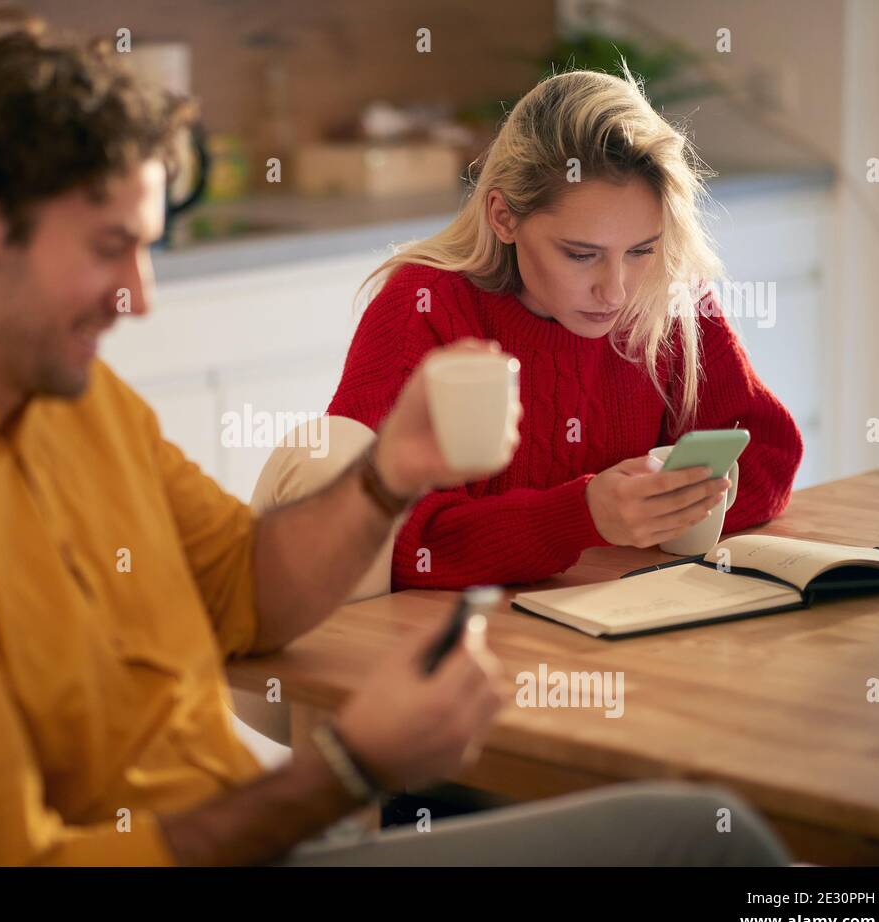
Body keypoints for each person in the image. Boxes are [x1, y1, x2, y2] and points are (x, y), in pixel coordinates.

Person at [0, 4, 790, 867]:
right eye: (110, 247)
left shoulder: (77, 407)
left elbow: (248, 590)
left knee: (715, 829)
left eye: (146, 248)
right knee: (713, 846)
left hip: (277, 828)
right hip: (272, 831)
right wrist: (347, 765)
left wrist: (382, 477)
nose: (138, 298)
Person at [326, 67, 804, 590]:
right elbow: (382, 538)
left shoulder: (666, 292)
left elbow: (768, 456)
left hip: (625, 621)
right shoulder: (423, 306)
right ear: (503, 217)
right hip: (461, 645)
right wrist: (583, 518)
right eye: (581, 254)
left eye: (641, 250)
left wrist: (665, 511)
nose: (616, 291)